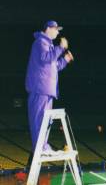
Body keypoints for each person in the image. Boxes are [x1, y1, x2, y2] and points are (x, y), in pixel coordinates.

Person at [25, 20, 74, 154]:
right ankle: (40, 147)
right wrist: (62, 47)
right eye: (56, 29)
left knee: (45, 121)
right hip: (40, 89)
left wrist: (65, 60)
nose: (58, 32)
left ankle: (43, 146)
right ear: (48, 28)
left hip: (47, 90)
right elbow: (46, 58)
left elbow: (54, 66)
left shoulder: (49, 45)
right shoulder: (40, 42)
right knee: (39, 120)